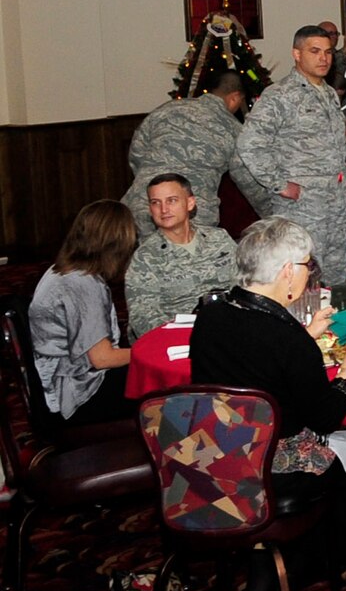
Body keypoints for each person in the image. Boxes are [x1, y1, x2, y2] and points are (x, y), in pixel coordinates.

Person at [189, 217, 346, 591]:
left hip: (215, 452)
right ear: (286, 272)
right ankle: (319, 559)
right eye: (307, 265)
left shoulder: (212, 315)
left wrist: (306, 335)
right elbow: (327, 416)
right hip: (274, 464)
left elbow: (251, 359)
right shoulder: (285, 339)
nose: (309, 273)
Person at [239, 25, 346, 282]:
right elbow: (249, 144)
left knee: (333, 277)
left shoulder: (329, 93)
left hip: (334, 203)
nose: (323, 58)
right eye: (315, 51)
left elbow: (327, 145)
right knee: (301, 276)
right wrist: (279, 184)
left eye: (328, 52)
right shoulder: (280, 95)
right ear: (297, 54)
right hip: (302, 205)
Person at [28, 201, 138, 425]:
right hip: (75, 394)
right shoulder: (82, 285)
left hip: (55, 382)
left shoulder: (62, 270)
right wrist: (150, 355)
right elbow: (101, 358)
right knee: (161, 387)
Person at [121, 71, 263, 235]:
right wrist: (271, 213)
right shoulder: (234, 129)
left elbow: (136, 154)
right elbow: (248, 181)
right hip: (191, 216)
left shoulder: (167, 109)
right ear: (235, 97)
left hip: (142, 205)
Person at [126, 174, 237, 335]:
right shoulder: (145, 258)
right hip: (180, 340)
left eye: (171, 200)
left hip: (230, 330)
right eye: (156, 203)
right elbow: (143, 318)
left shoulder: (219, 239)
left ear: (190, 203)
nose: (164, 210)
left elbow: (245, 285)